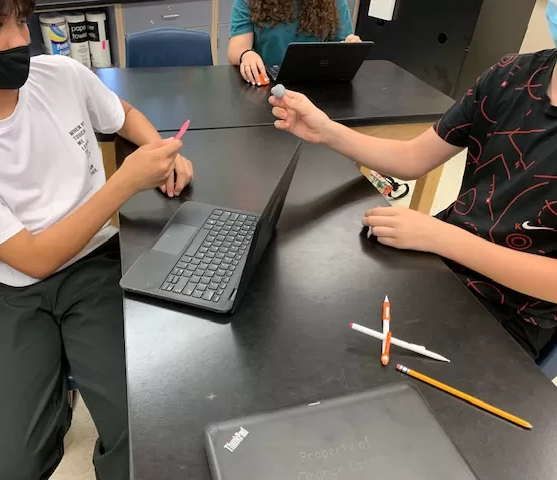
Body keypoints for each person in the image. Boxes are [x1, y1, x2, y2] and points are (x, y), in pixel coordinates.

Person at [0, 0, 193, 478]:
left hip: (96, 261)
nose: (18, 39)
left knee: (146, 429)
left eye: (20, 22)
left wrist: (157, 151)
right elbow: (32, 259)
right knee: (11, 465)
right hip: (6, 280)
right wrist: (125, 181)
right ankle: (50, 402)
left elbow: (122, 113)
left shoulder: (61, 75)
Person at [269, 49, 557, 360]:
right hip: (439, 266)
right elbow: (414, 157)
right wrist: (326, 131)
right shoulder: (510, 75)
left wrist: (441, 237)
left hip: (510, 311)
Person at [228, 0, 361, 85]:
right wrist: (246, 54)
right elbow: (236, 48)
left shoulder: (333, 2)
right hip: (268, 86)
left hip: (320, 84)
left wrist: (351, 45)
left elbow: (342, 42)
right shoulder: (249, 2)